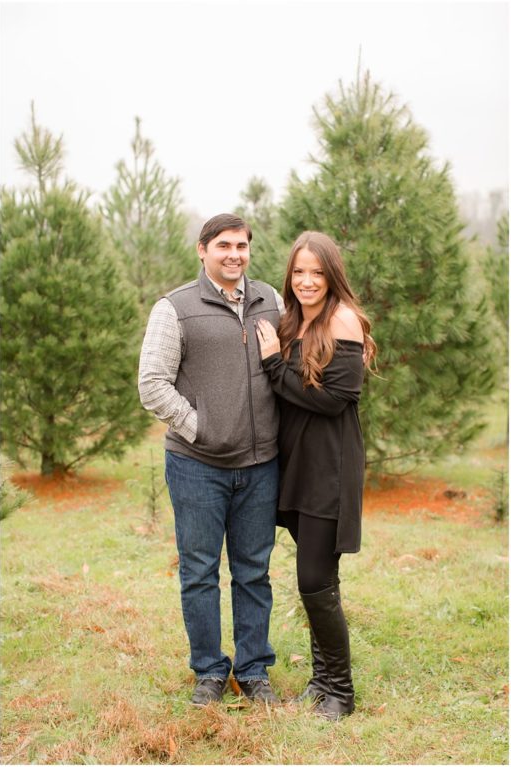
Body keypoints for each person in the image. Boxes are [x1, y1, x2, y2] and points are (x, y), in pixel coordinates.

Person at [139, 213, 285, 707]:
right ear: (202, 250)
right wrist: (203, 428)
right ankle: (208, 670)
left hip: (262, 464)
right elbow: (152, 383)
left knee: (253, 570)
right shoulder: (175, 308)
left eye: (242, 246)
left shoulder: (271, 300)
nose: (234, 254)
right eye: (223, 245)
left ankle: (254, 669)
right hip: (197, 466)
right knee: (199, 571)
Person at [255, 231, 375, 720]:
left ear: (331, 276)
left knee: (313, 582)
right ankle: (321, 682)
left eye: (316, 273)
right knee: (322, 577)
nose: (307, 281)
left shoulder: (341, 320)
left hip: (329, 464)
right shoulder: (292, 321)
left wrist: (271, 366)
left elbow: (333, 400)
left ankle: (340, 693)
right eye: (299, 272)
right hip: (299, 464)